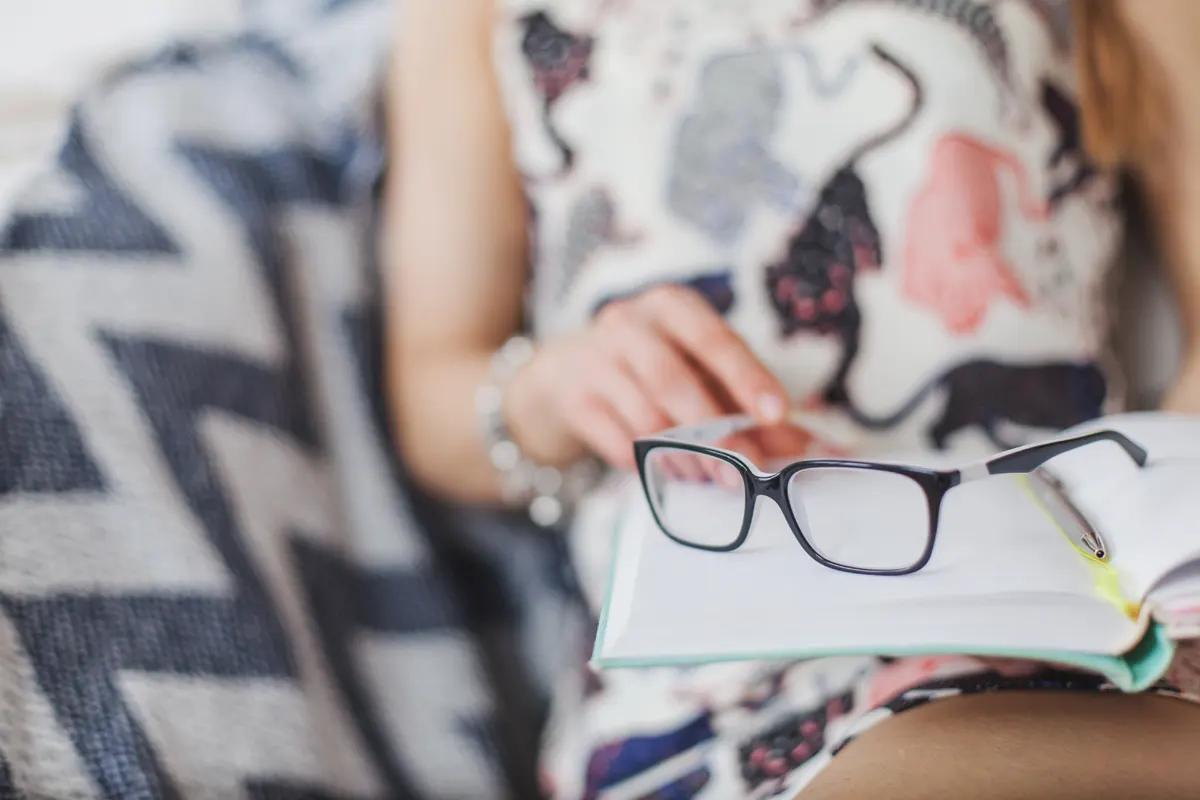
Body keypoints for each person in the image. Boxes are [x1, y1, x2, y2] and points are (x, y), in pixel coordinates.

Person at [385, 0, 1200, 797]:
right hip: (710, 669)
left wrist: (1170, 527)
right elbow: (435, 406)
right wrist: (556, 387)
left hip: (1078, 620)